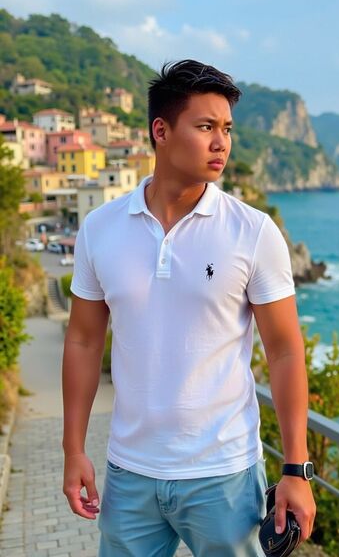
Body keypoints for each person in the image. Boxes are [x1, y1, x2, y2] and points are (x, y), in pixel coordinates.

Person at [62, 59, 316, 556]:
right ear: (161, 131)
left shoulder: (253, 231)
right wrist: (73, 449)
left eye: (227, 129)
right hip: (129, 472)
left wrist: (296, 469)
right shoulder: (100, 228)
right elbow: (83, 341)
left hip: (225, 476)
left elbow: (286, 350)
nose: (221, 142)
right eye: (205, 127)